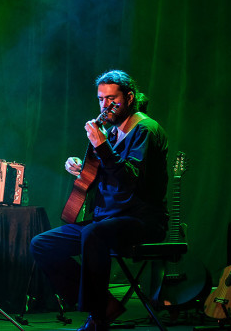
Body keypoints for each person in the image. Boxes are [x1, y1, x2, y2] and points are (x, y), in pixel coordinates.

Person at [30, 70, 168, 331]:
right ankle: (104, 304)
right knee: (42, 244)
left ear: (129, 97)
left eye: (111, 99)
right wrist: (83, 168)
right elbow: (109, 175)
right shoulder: (113, 132)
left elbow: (130, 180)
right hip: (109, 219)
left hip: (142, 220)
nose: (105, 106)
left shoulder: (146, 130)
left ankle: (98, 319)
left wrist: (102, 146)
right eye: (101, 99)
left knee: (95, 233)